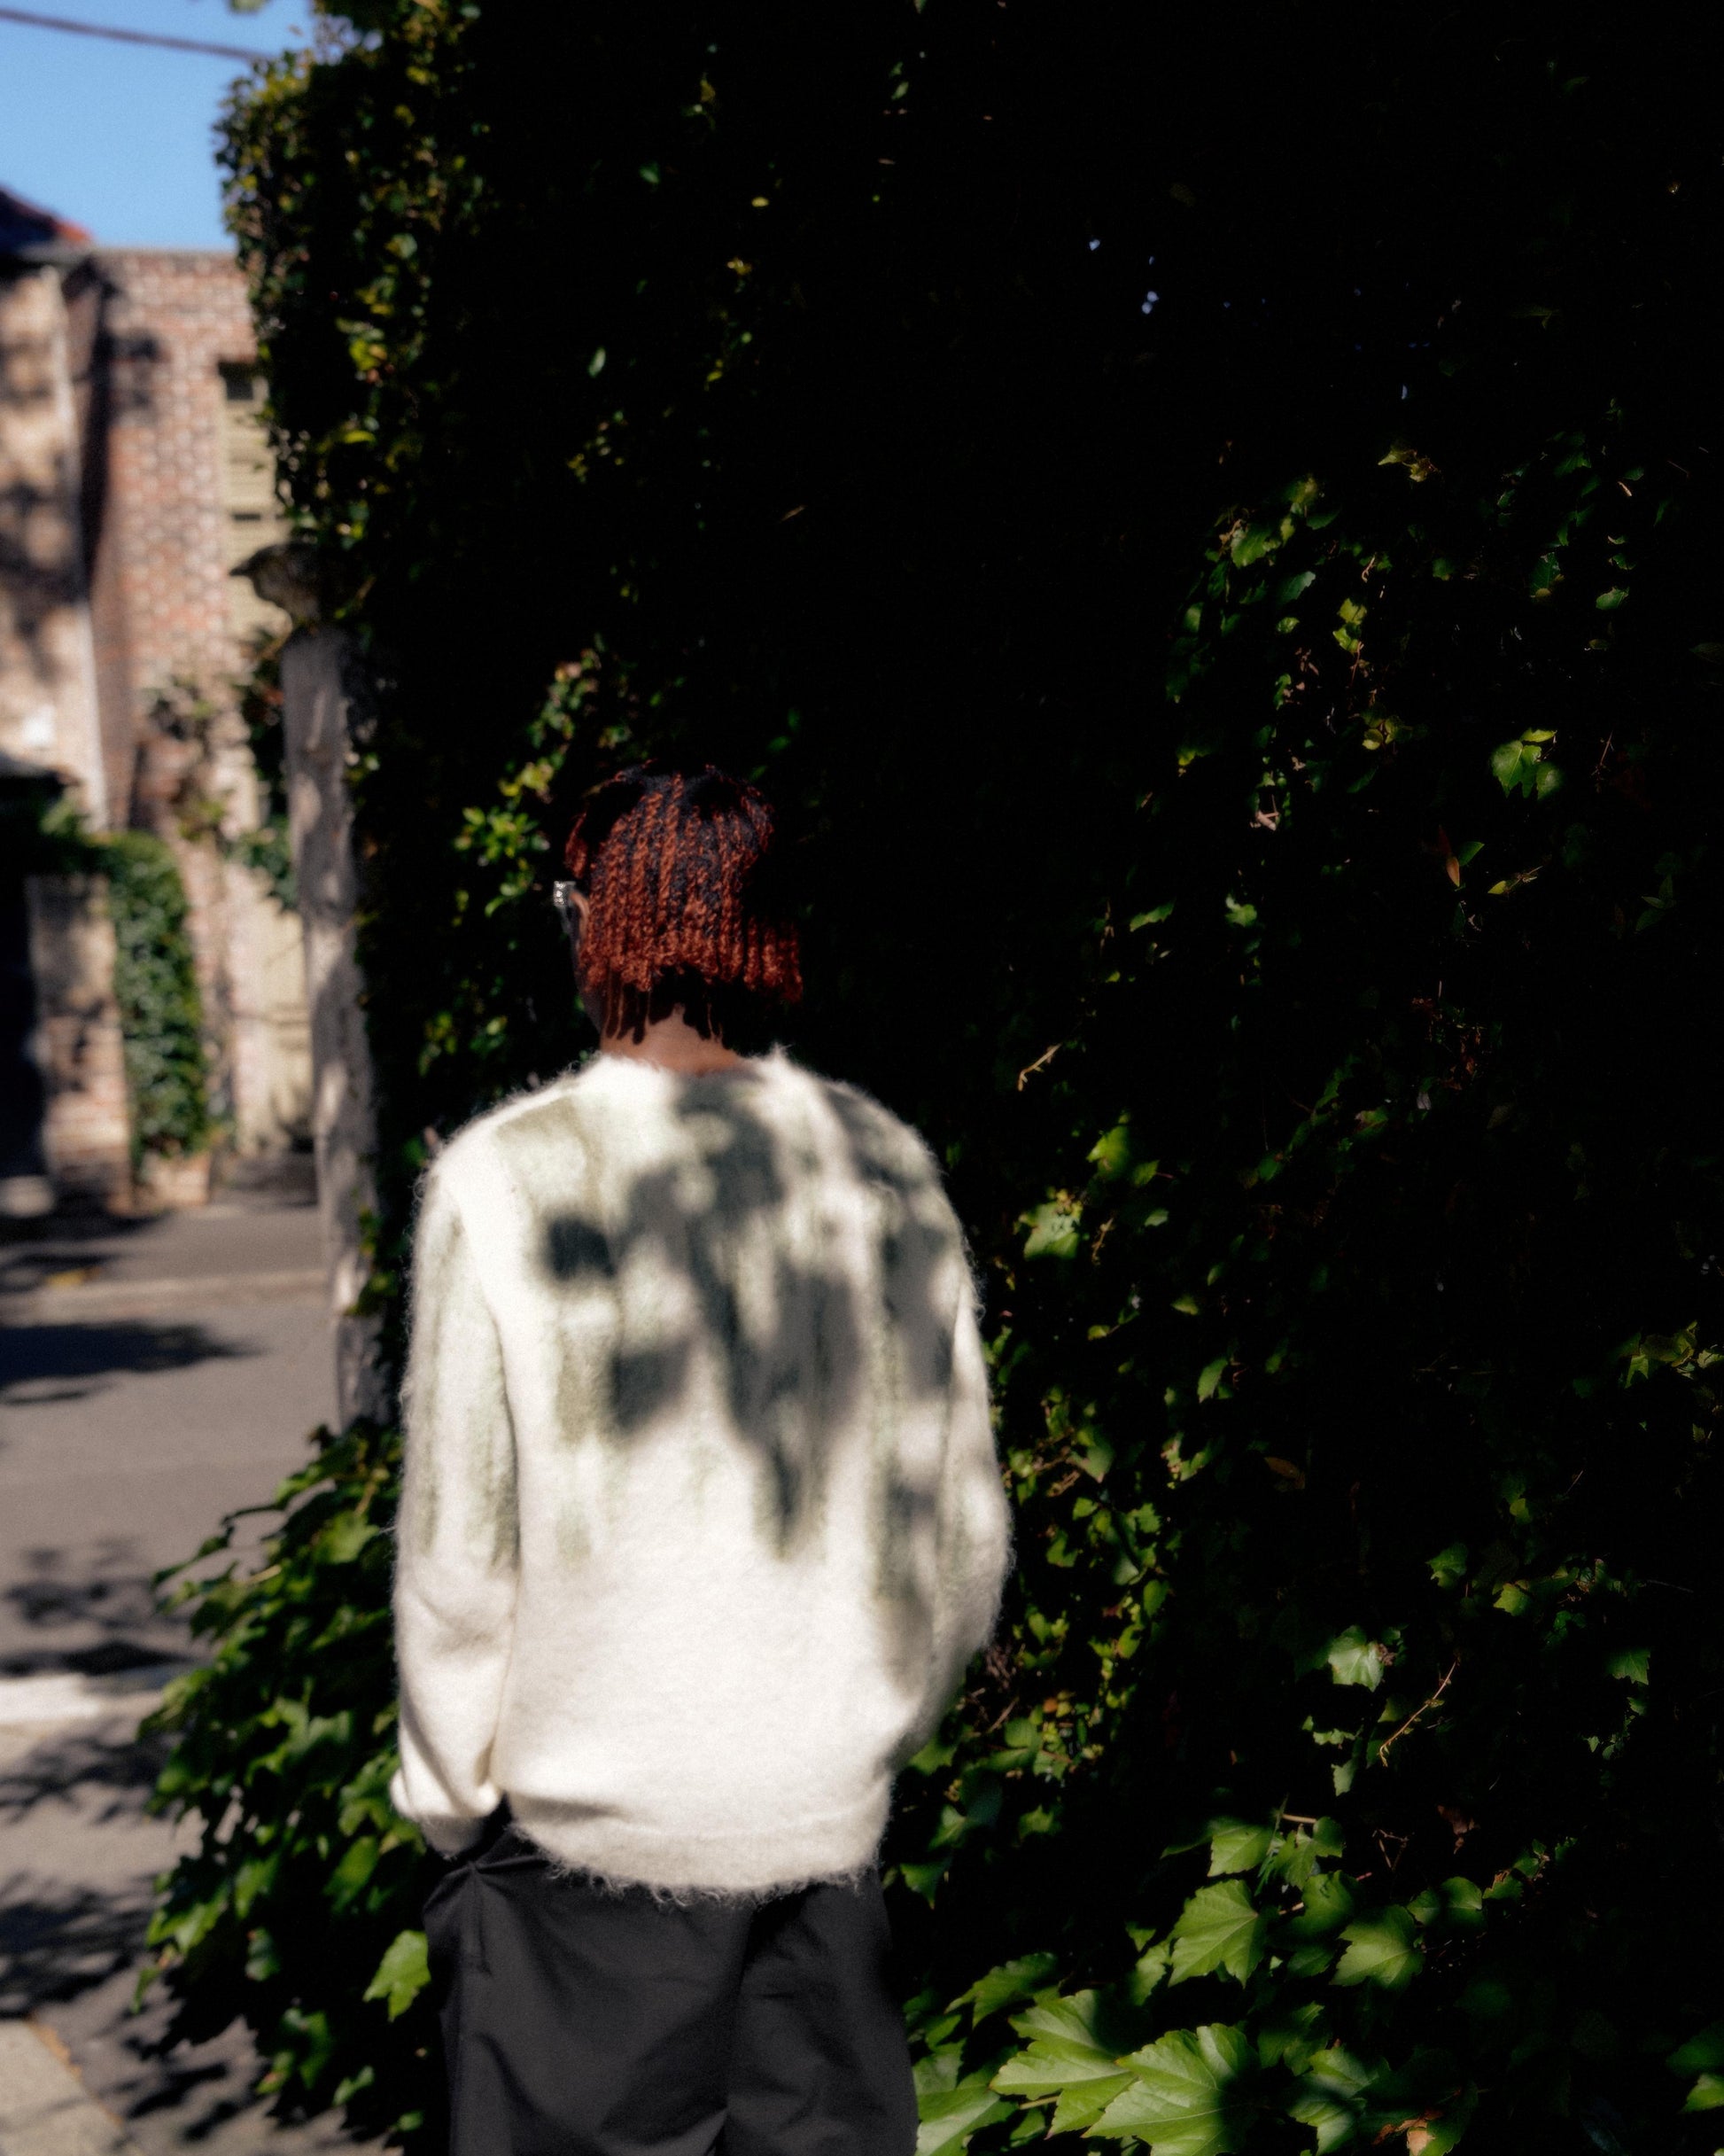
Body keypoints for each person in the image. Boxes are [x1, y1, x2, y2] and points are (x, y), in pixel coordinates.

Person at [390, 763, 1013, 2156]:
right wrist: (859, 1726)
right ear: (771, 932)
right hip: (815, 1833)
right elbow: (959, 1532)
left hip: (582, 1867)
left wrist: (445, 1797)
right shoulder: (875, 1170)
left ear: (593, 922)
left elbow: (461, 1551)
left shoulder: (506, 1178)